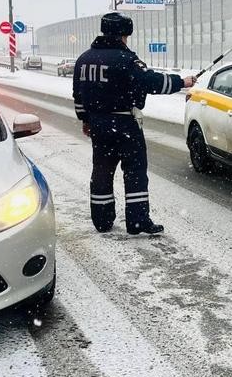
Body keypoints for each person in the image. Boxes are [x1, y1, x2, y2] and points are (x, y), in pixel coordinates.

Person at [73, 12, 196, 235]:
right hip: (124, 123)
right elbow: (150, 81)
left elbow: (78, 96)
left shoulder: (84, 60)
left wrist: (85, 120)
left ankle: (102, 219)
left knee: (101, 171)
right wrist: (182, 82)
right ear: (124, 34)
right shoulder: (126, 60)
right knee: (135, 172)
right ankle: (137, 221)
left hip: (99, 125)